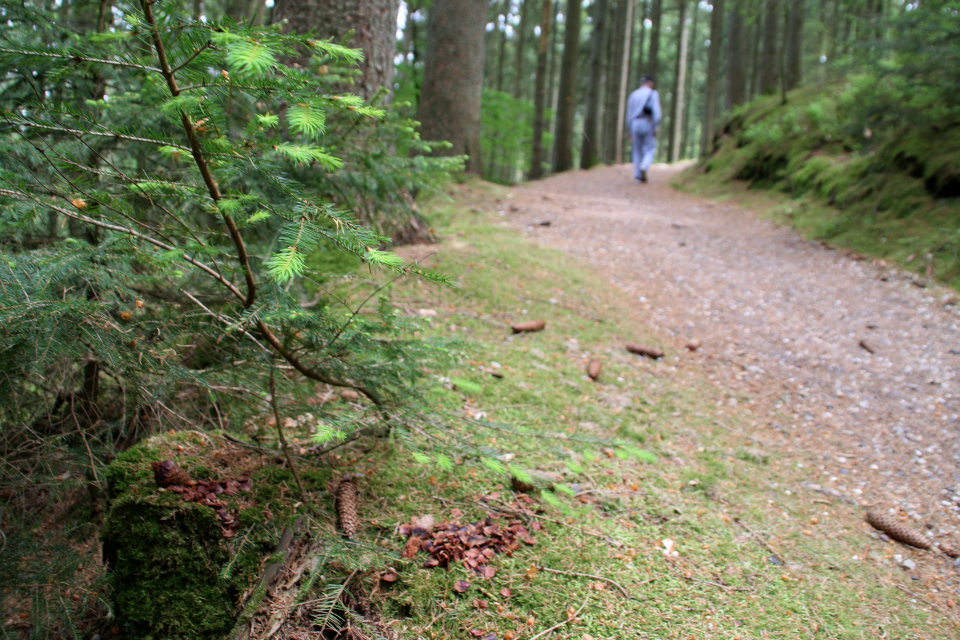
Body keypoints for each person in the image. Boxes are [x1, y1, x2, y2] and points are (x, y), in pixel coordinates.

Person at [625, 76, 662, 184]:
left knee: (636, 150)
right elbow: (657, 112)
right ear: (650, 83)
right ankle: (644, 166)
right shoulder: (653, 94)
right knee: (649, 149)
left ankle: (637, 176)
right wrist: (656, 126)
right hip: (648, 122)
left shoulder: (633, 94)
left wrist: (629, 129)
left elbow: (629, 114)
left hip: (635, 123)